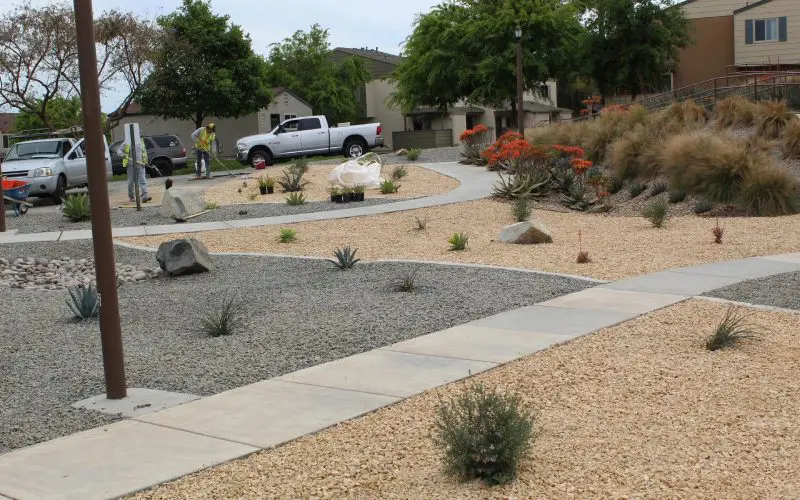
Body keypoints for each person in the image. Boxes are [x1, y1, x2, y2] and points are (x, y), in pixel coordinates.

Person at [118, 139, 151, 203]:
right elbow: (119, 151)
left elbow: (144, 152)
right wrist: (122, 154)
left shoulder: (141, 141)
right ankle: (131, 196)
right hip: (131, 165)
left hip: (141, 164)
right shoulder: (127, 142)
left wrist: (145, 161)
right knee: (131, 182)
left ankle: (144, 196)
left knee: (142, 180)